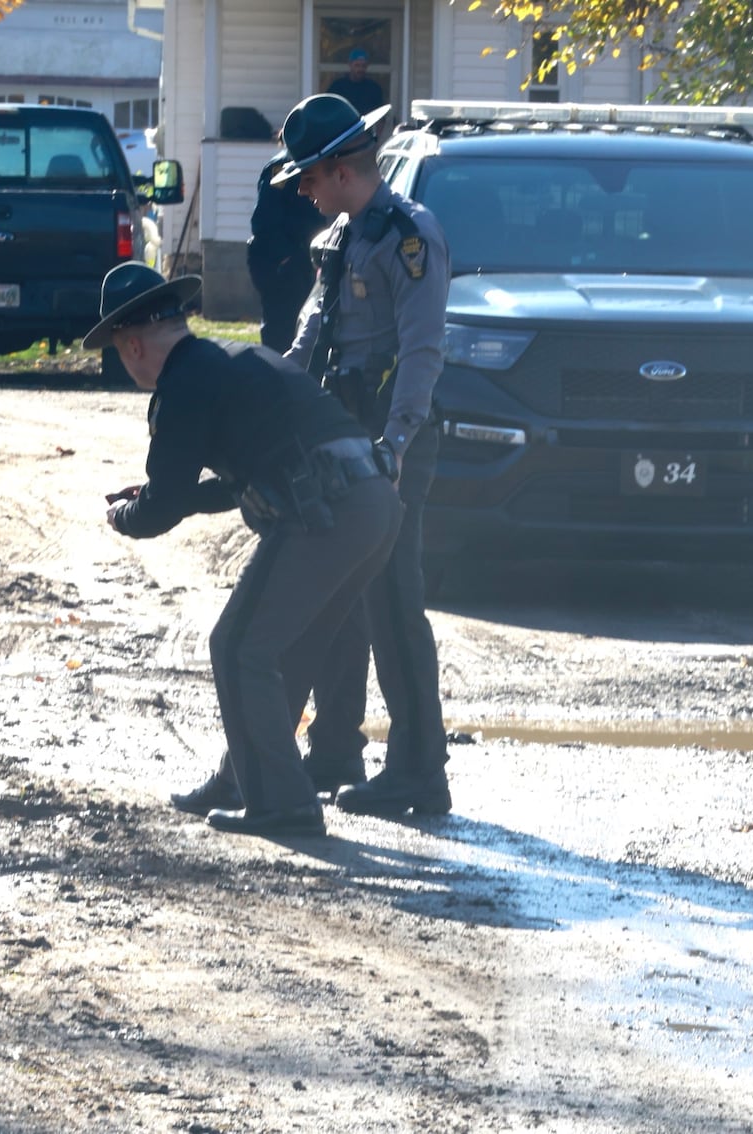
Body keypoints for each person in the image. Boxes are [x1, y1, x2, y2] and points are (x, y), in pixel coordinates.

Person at [89, 261, 403, 837]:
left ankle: (284, 804)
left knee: (237, 645)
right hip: (374, 504)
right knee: (288, 650)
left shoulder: (181, 386)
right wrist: (165, 496)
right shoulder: (229, 360)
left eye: (116, 348)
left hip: (328, 513)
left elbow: (162, 508)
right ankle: (245, 779)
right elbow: (235, 485)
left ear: (132, 344)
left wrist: (123, 516)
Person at [271, 92, 453, 818]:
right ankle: (336, 750)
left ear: (343, 168)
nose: (305, 192)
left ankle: (418, 768)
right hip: (343, 430)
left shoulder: (410, 235)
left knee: (392, 601)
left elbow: (422, 350)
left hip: (391, 434)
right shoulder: (345, 238)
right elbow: (309, 340)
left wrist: (397, 444)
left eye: (310, 178)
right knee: (336, 594)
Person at [248, 150, 326, 351]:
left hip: (303, 258)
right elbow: (263, 220)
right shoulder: (282, 168)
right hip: (283, 263)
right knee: (281, 331)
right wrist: (286, 258)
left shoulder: (312, 160)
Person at [326, 48, 387, 116]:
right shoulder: (337, 87)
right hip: (344, 125)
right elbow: (328, 110)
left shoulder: (374, 88)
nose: (360, 69)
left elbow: (380, 115)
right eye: (357, 65)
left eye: (363, 66)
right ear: (350, 64)